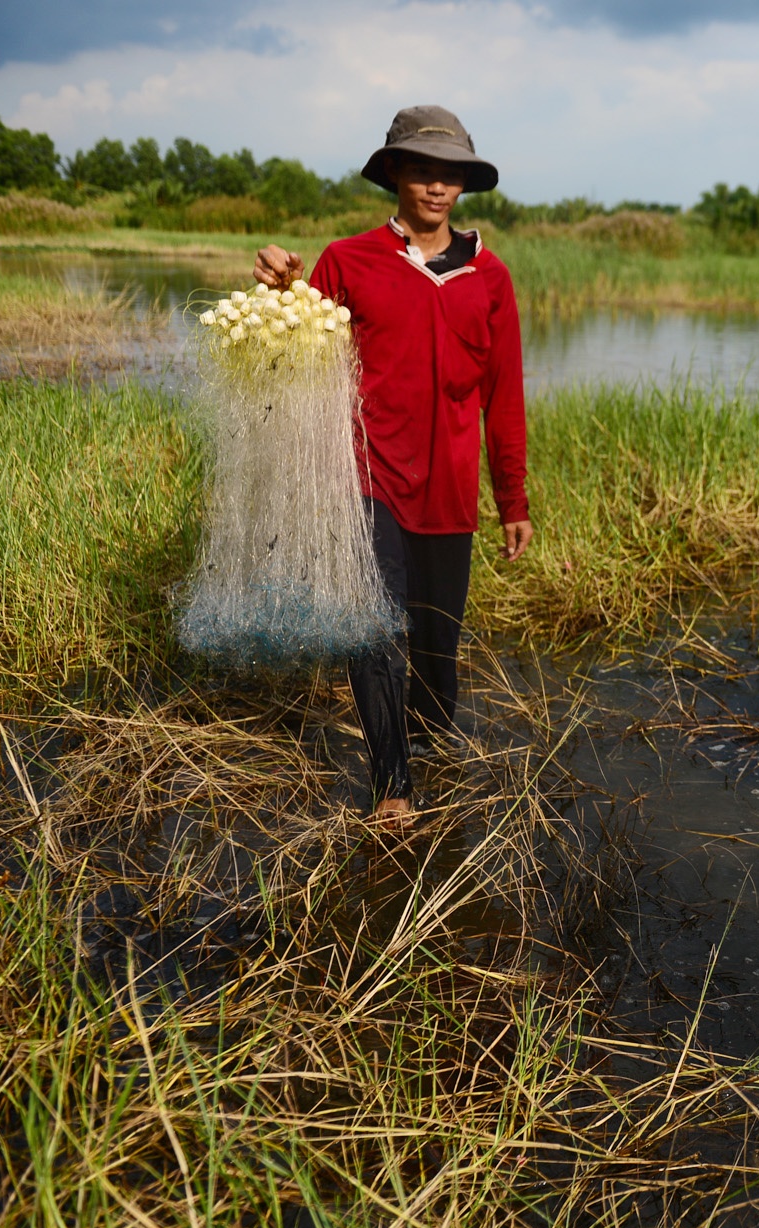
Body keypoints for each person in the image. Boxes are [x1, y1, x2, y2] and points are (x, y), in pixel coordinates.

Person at [252, 105, 532, 827]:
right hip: (366, 477)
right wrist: (279, 291)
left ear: (464, 185)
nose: (436, 187)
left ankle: (431, 747)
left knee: (437, 647)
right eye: (421, 171)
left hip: (450, 489)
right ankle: (392, 785)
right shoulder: (348, 261)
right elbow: (292, 351)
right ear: (396, 176)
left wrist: (514, 500)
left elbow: (504, 396)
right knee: (373, 629)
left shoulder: (490, 277)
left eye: (450, 174)